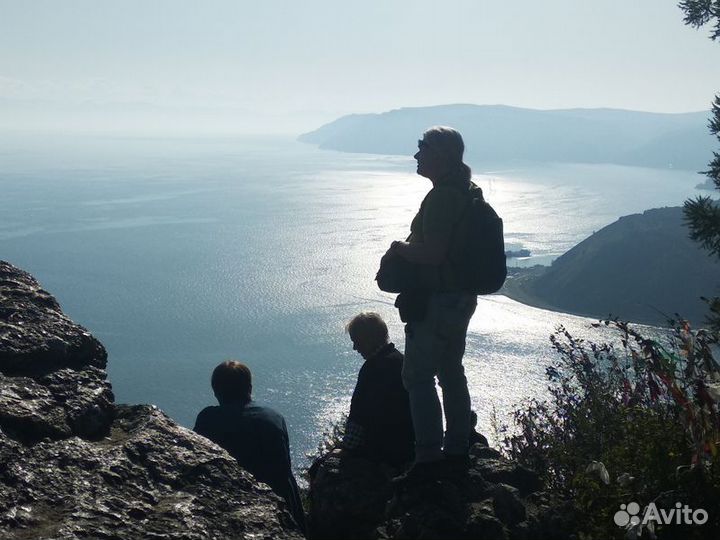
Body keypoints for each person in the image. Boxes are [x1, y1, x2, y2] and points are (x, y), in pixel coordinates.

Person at [386, 126, 478, 481]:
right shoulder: (466, 191)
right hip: (459, 298)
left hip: (438, 300)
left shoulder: (441, 197)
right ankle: (457, 446)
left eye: (422, 147)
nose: (417, 154)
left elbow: (434, 253)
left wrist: (400, 249)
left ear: (440, 154)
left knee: (418, 377)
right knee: (452, 371)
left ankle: (427, 457)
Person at [194, 361, 306, 532]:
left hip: (231, 509)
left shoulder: (208, 420)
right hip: (284, 506)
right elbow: (284, 468)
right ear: (249, 388)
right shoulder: (274, 417)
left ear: (216, 391)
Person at [342, 312, 414, 467]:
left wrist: (344, 449)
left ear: (369, 339)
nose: (355, 348)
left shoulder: (372, 369)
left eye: (357, 341)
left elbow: (360, 415)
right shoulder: (401, 361)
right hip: (408, 447)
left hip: (381, 451)